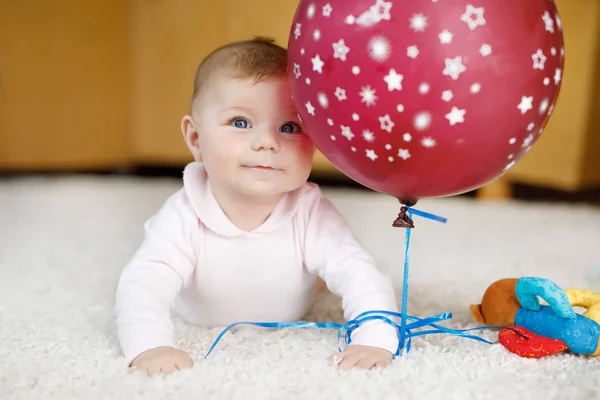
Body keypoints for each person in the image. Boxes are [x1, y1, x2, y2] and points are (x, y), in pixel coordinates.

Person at [114, 36, 400, 376]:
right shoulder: (183, 213)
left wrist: (374, 338)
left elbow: (359, 273)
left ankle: (316, 275)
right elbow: (144, 282)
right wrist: (150, 346)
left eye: (290, 127)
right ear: (195, 139)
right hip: (197, 317)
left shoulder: (308, 209)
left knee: (344, 259)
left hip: (294, 310)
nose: (266, 142)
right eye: (240, 122)